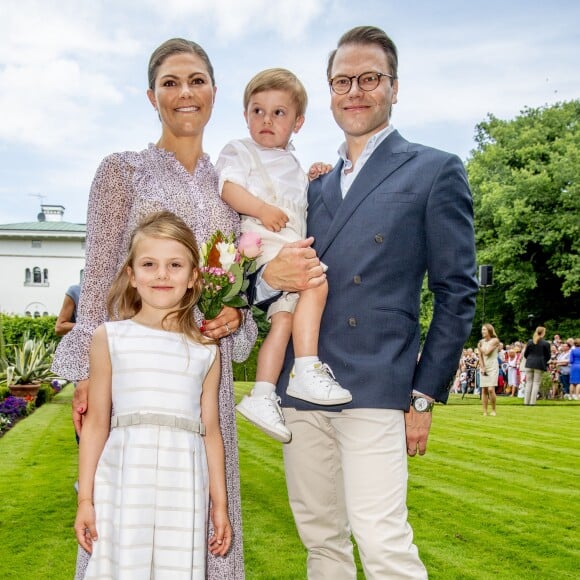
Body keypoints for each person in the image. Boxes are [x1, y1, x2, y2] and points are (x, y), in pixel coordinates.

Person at [253, 26, 478, 578]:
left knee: (383, 544)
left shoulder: (434, 169)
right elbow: (273, 287)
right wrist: (263, 281)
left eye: (369, 78)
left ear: (394, 87)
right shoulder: (311, 189)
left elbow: (457, 291)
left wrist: (423, 394)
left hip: (378, 384)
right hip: (302, 389)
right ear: (329, 93)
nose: (355, 90)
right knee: (321, 543)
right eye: (341, 81)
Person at [52, 38, 257, 579]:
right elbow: (98, 276)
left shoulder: (235, 185)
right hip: (130, 380)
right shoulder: (123, 170)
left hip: (199, 377)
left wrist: (235, 317)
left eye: (196, 81)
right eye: (170, 82)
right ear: (152, 96)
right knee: (122, 533)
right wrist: (86, 380)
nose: (184, 93)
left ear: (214, 92)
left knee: (199, 537)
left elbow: (242, 284)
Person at [74, 212, 231, 577]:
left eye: (175, 265)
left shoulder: (206, 348)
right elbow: (96, 423)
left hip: (184, 478)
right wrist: (85, 499)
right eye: (149, 264)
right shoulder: (109, 337)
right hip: (125, 476)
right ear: (131, 274)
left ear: (193, 278)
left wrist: (219, 504)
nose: (162, 274)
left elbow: (211, 431)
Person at [215, 68, 350, 443]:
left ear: (298, 122)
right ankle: (306, 367)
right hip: (264, 239)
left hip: (284, 240)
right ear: (245, 116)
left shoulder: (290, 161)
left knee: (284, 322)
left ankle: (261, 394)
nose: (266, 120)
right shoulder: (240, 150)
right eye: (257, 111)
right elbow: (227, 187)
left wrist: (315, 174)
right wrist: (260, 209)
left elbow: (300, 197)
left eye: (279, 113)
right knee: (316, 281)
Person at [523, 326, 551, 405]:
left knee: (528, 383)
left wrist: (530, 359)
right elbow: (548, 355)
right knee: (536, 383)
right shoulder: (545, 343)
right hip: (539, 364)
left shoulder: (530, 342)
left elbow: (526, 354)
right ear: (543, 333)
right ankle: (532, 402)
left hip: (529, 363)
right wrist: (544, 361)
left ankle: (526, 401)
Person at [477, 324, 500, 416]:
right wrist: (482, 367)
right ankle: (485, 411)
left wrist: (479, 347)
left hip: (493, 366)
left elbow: (486, 352)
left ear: (489, 331)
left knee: (491, 389)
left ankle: (493, 409)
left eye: (484, 330)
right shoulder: (481, 342)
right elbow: (480, 356)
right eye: (482, 330)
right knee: (484, 390)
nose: (482, 331)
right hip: (484, 366)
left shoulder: (495, 340)